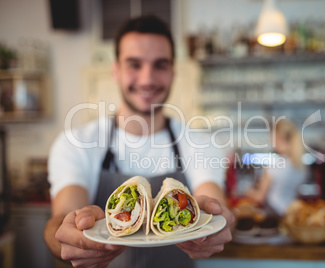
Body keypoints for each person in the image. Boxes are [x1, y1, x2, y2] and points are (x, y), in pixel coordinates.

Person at [43, 15, 234, 268]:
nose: (147, 78)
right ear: (116, 70)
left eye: (160, 65)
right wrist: (67, 238)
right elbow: (60, 219)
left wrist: (222, 220)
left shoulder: (200, 142)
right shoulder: (76, 142)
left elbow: (215, 203)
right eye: (134, 64)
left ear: (173, 72)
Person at [246, 119, 307, 216]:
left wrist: (249, 191)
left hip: (274, 214)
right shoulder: (300, 166)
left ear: (279, 137)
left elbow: (260, 197)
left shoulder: (274, 165)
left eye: (272, 138)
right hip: (292, 213)